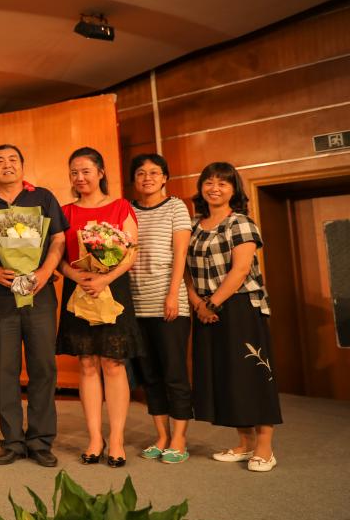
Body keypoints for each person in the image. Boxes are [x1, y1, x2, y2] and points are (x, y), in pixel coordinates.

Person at [0, 145, 67, 468]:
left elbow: (58, 239)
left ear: (22, 166)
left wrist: (45, 272)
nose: (7, 165)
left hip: (40, 295)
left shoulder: (43, 198)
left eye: (13, 160)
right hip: (1, 298)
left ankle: (40, 441)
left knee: (43, 367)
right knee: (5, 369)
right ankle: (12, 441)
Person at [186, 162, 281, 472]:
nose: (214, 188)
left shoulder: (240, 222)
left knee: (252, 375)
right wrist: (198, 303)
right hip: (205, 307)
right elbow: (185, 270)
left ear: (234, 189)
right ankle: (245, 443)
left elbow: (240, 270)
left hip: (240, 306)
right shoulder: (194, 225)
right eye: (209, 182)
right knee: (227, 377)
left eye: (222, 183)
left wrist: (211, 304)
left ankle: (265, 447)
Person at [56, 146, 142, 468]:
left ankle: (116, 438)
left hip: (112, 289)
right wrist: (75, 275)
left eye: (86, 171)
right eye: (74, 172)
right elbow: (57, 256)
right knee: (87, 363)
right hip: (79, 288)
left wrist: (105, 279)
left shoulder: (121, 207)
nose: (79, 178)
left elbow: (131, 252)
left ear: (101, 173)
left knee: (113, 363)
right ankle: (95, 437)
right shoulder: (65, 212)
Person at [129, 153, 193, 465]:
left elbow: (180, 254)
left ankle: (179, 438)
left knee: (174, 373)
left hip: (169, 303)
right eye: (141, 173)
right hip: (136, 304)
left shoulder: (176, 207)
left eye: (154, 172)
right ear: (134, 180)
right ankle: (162, 436)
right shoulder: (128, 211)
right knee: (150, 375)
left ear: (165, 178)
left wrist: (172, 294)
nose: (148, 178)